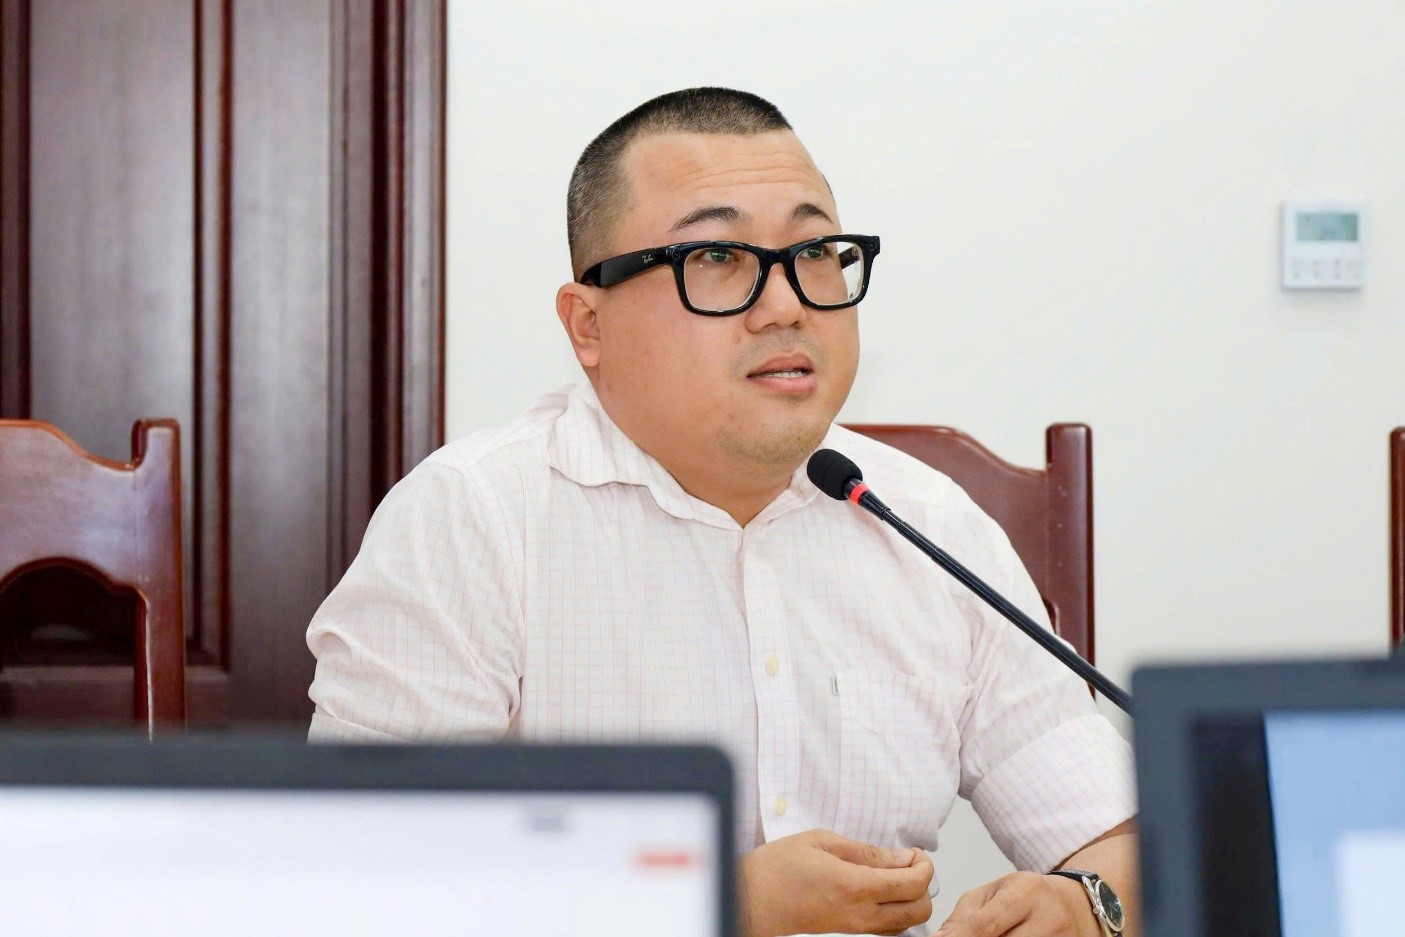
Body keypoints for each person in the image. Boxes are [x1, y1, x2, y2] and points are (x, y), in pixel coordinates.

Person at [306, 87, 1138, 937]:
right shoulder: (470, 522)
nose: (786, 304)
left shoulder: (927, 524)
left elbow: (1129, 841)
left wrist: (1086, 905)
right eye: (715, 256)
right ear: (588, 325)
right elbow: (358, 882)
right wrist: (715, 902)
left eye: (814, 251)